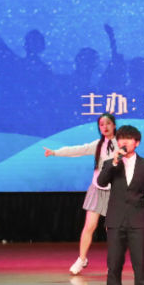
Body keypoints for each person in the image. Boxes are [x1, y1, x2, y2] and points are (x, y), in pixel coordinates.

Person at [95, 124, 144, 285]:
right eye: (121, 138)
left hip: (138, 220)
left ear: (136, 143)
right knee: (114, 263)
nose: (124, 142)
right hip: (116, 220)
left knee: (140, 263)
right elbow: (101, 182)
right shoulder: (111, 163)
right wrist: (114, 162)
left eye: (128, 138)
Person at [44, 112, 119, 275]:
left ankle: (113, 263)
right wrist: (55, 152)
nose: (105, 127)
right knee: (89, 226)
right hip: (97, 189)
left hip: (115, 192)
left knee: (111, 229)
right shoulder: (97, 145)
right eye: (101, 124)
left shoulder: (121, 144)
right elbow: (76, 150)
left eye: (108, 123)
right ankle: (82, 259)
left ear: (114, 125)